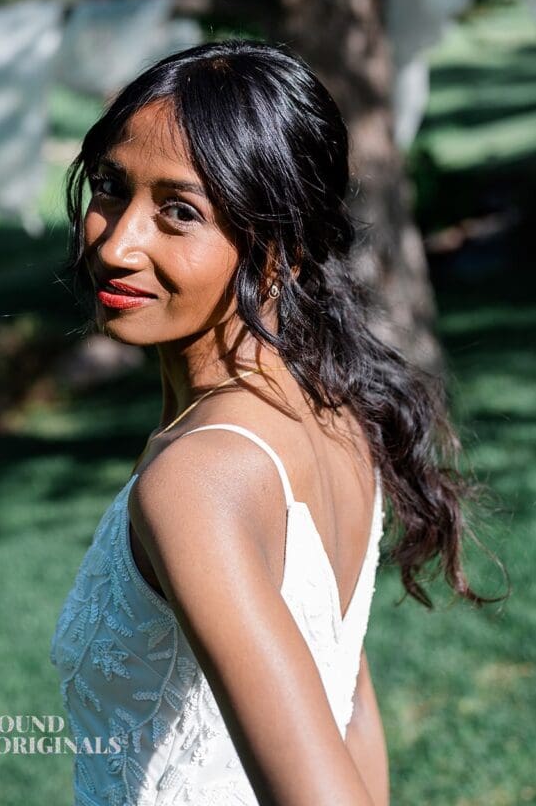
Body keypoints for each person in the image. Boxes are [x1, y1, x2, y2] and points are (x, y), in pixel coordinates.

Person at [50, 39, 500, 806]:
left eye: (179, 212)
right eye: (110, 188)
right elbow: (348, 709)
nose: (117, 243)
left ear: (278, 246)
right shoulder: (329, 413)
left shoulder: (198, 478)